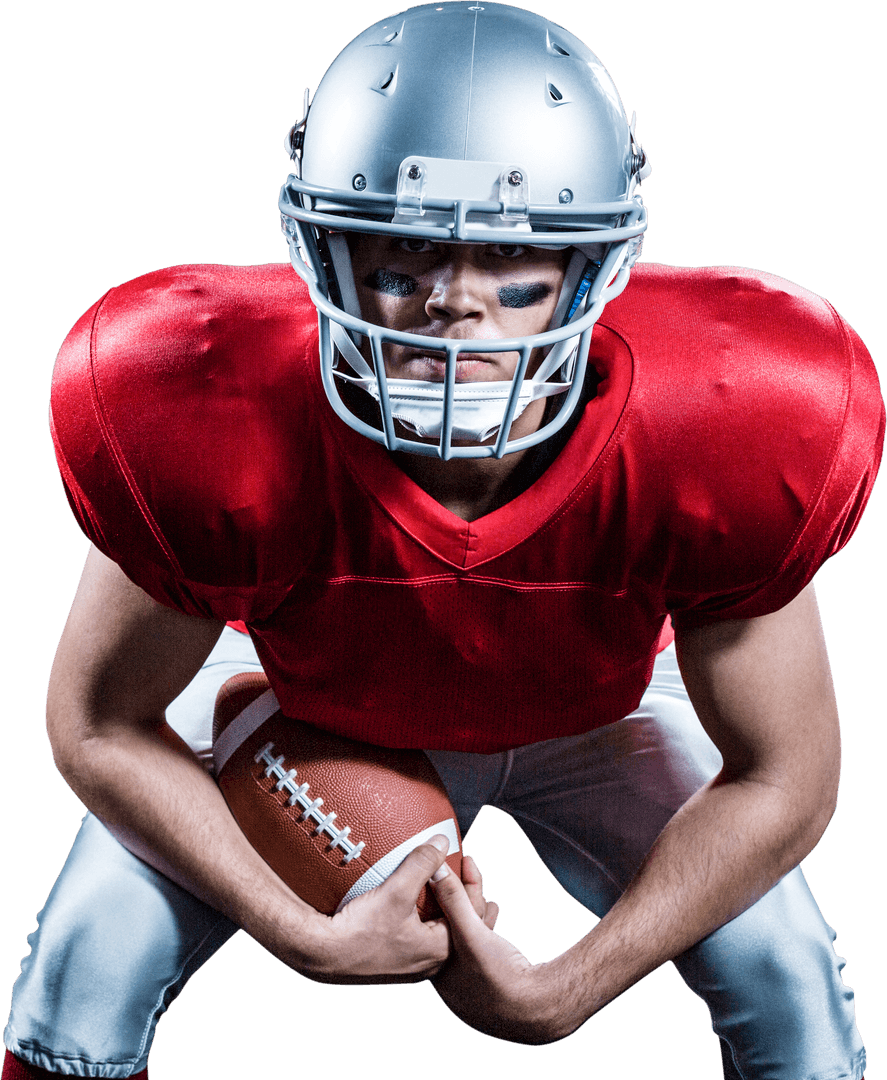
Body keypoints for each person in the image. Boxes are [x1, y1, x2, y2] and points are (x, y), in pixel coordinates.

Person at [3, 3, 882, 1078]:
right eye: (405, 260)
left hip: (600, 703)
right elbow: (96, 722)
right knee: (84, 972)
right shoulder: (200, 408)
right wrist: (303, 937)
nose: (454, 306)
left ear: (595, 270)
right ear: (320, 256)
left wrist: (569, 989)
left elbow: (786, 776)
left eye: (512, 264)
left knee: (784, 979)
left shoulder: (728, 421)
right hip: (295, 678)